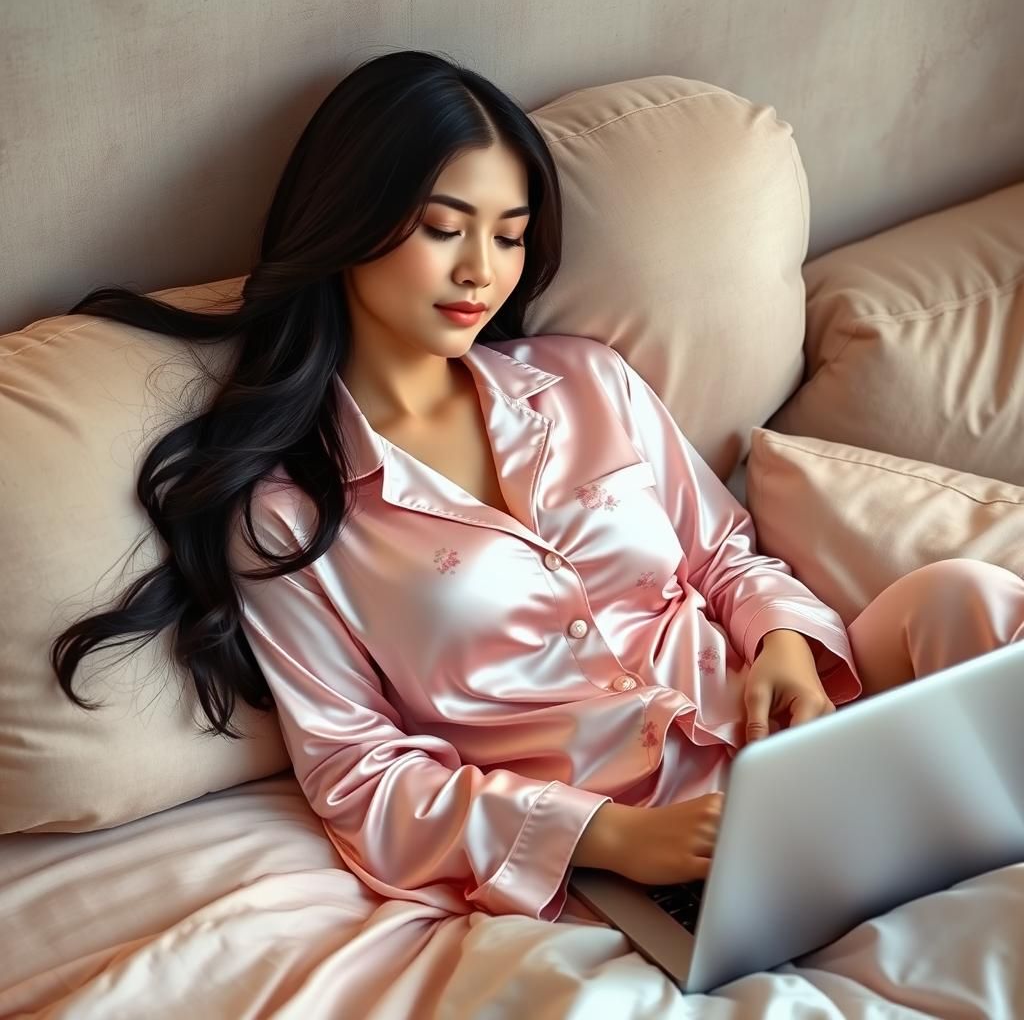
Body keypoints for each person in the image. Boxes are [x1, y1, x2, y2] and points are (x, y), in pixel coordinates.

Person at [51, 49, 1024, 926]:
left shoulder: (585, 380)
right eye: (444, 229)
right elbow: (360, 773)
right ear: (349, 226)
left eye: (509, 236)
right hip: (655, 840)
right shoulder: (287, 515)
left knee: (967, 597)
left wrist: (785, 648)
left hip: (796, 735)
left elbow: (725, 552)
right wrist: (604, 836)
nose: (482, 270)